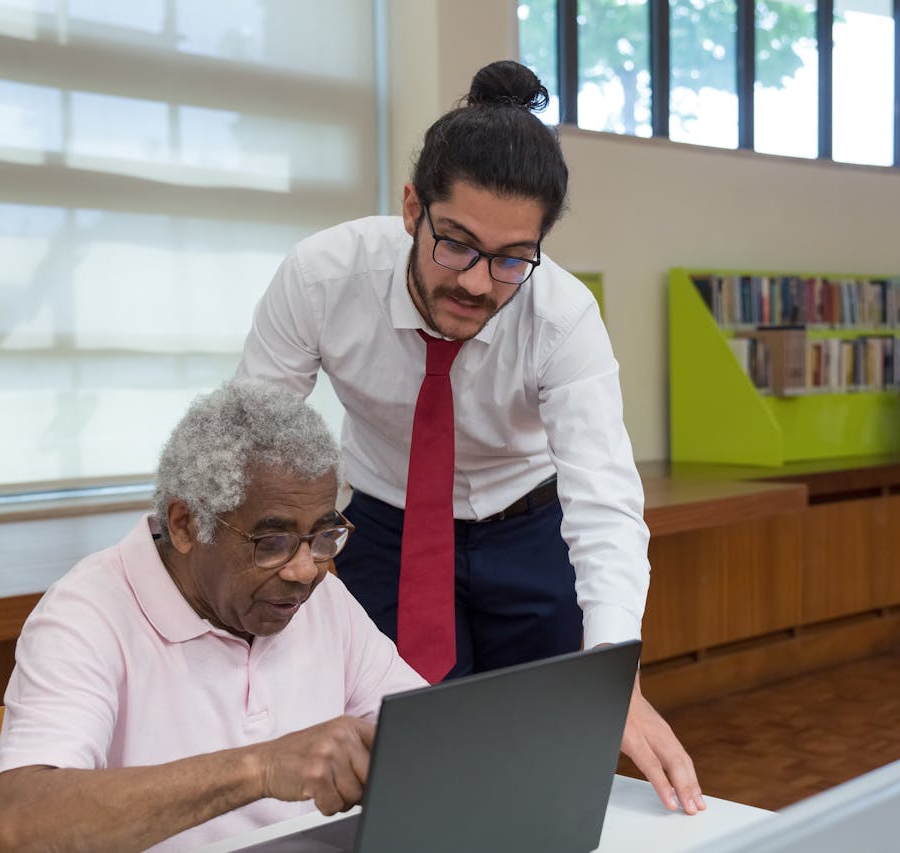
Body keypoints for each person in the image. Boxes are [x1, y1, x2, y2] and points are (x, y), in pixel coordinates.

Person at [236, 60, 704, 813]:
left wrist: (618, 674)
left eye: (513, 258)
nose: (480, 282)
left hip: (529, 528)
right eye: (455, 243)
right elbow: (250, 440)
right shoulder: (324, 277)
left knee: (550, 761)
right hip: (386, 526)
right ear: (412, 206)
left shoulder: (562, 316)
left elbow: (606, 501)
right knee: (408, 761)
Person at [0, 380, 425, 852]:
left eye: (323, 535)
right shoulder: (86, 614)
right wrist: (262, 767)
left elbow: (429, 741)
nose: (305, 569)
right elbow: (20, 830)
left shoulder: (324, 599)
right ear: (185, 525)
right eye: (271, 542)